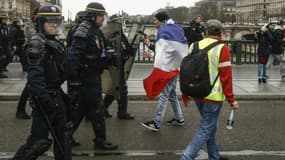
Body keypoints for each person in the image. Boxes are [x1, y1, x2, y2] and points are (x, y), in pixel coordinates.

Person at [12, 5, 72, 160]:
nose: (54, 24)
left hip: (56, 95)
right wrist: (45, 101)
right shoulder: (37, 43)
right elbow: (35, 78)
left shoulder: (53, 42)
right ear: (41, 23)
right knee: (37, 143)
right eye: (50, 21)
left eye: (57, 21)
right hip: (45, 99)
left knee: (63, 140)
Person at [180, 19, 239, 160]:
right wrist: (232, 100)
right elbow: (226, 77)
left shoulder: (194, 45)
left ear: (205, 32)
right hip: (213, 96)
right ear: (220, 33)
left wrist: (185, 94)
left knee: (209, 126)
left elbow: (186, 71)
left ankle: (214, 156)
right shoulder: (222, 48)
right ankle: (186, 157)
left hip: (197, 93)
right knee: (206, 128)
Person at [68, 2, 118, 150]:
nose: (103, 19)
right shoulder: (84, 30)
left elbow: (101, 49)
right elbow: (73, 57)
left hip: (93, 74)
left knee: (82, 109)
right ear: (93, 16)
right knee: (96, 108)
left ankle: (66, 135)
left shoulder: (95, 30)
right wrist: (75, 80)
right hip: (86, 76)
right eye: (101, 16)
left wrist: (109, 57)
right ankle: (100, 140)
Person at [141, 11, 187, 131]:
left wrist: (151, 54)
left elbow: (163, 52)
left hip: (169, 69)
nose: (154, 22)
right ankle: (179, 118)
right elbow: (166, 50)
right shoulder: (172, 30)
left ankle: (156, 122)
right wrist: (150, 45)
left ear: (162, 21)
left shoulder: (166, 31)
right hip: (174, 67)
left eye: (155, 20)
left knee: (164, 95)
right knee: (172, 95)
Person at [103, 14, 135, 119]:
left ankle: (103, 109)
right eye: (120, 22)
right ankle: (122, 112)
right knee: (121, 89)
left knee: (115, 89)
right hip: (115, 66)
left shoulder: (113, 34)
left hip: (118, 65)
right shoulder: (114, 35)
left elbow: (127, 48)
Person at [15, 8, 39, 120]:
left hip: (38, 54)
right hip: (31, 54)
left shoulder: (38, 24)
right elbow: (32, 37)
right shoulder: (30, 24)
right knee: (30, 83)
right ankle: (20, 110)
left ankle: (37, 109)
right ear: (35, 15)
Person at [0, 13, 11, 78]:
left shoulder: (5, 26)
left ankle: (3, 67)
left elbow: (6, 35)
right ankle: (1, 72)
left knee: (9, 56)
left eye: (6, 19)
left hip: (5, 44)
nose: (5, 20)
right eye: (4, 19)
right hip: (1, 44)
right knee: (1, 58)